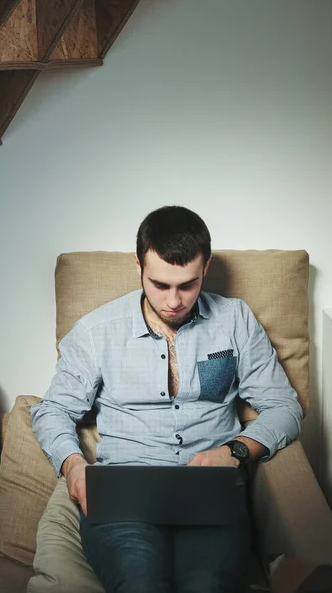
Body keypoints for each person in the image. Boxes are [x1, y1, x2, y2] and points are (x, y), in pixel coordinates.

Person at [31, 206, 303, 593]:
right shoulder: (97, 332)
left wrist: (236, 451)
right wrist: (75, 468)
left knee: (207, 586)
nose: (173, 300)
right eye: (159, 285)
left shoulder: (236, 320)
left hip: (210, 494)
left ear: (206, 267)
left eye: (187, 285)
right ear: (138, 265)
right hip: (124, 495)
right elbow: (52, 411)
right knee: (140, 584)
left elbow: (285, 406)